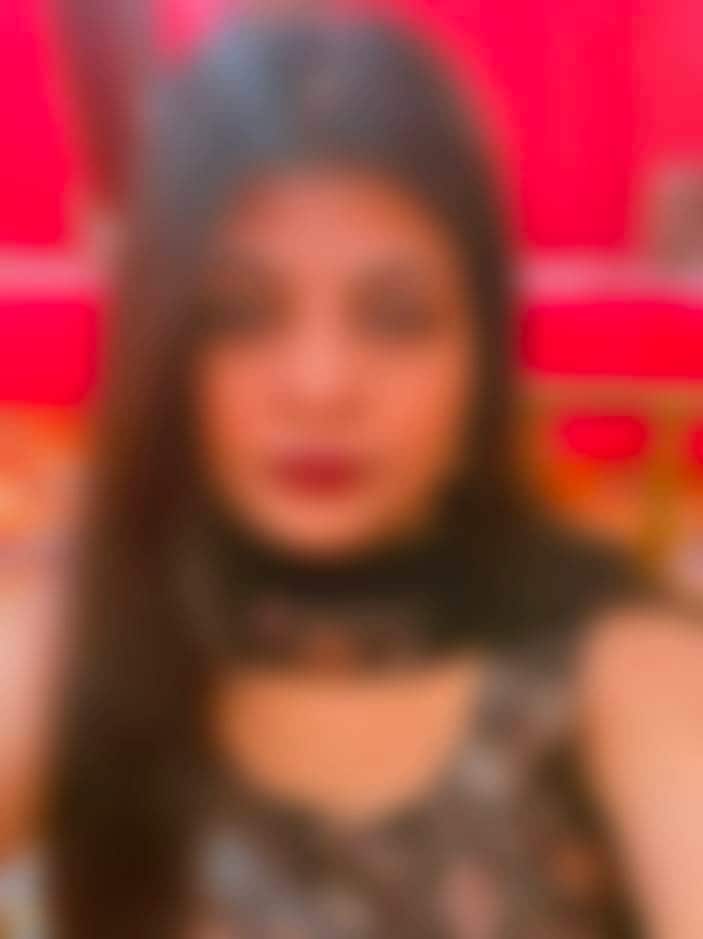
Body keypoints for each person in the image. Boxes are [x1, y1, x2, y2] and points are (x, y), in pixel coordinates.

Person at [49, 10, 703, 939]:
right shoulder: (86, 633)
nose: (321, 385)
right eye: (242, 313)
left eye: (395, 317)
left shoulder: (613, 665)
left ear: (479, 352)